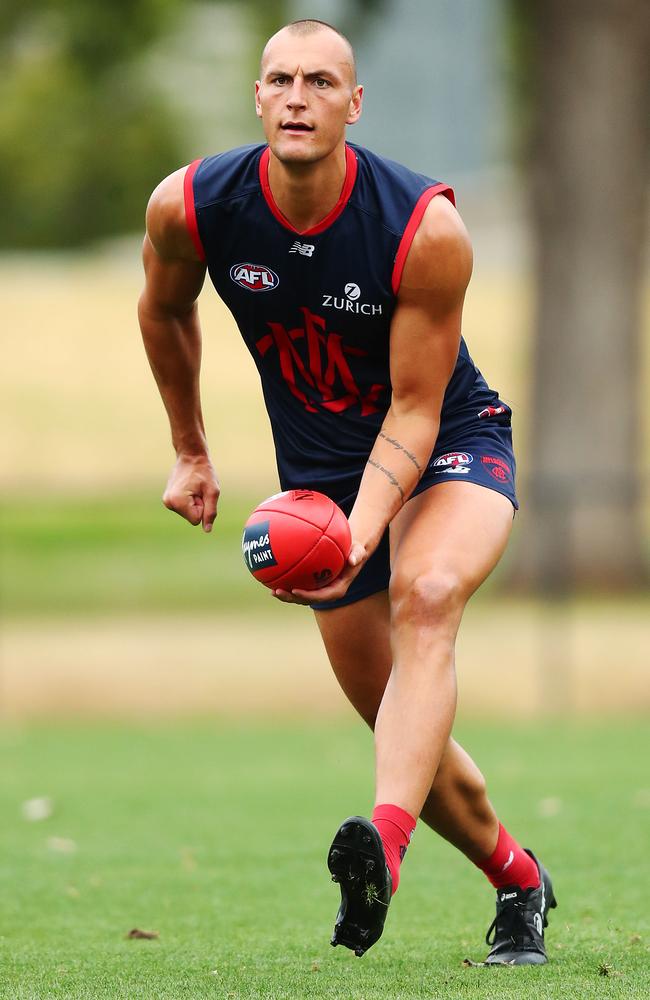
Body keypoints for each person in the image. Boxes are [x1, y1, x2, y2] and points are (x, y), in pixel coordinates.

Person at [138, 18, 556, 965]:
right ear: (257, 98)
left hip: (450, 445)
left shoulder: (423, 228)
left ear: (353, 105)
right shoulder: (194, 206)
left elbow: (413, 411)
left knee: (430, 598)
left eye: (322, 82)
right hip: (323, 480)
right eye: (281, 79)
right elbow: (163, 309)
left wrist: (361, 531)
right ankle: (520, 883)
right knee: (399, 720)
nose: (298, 97)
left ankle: (384, 853)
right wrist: (190, 449)